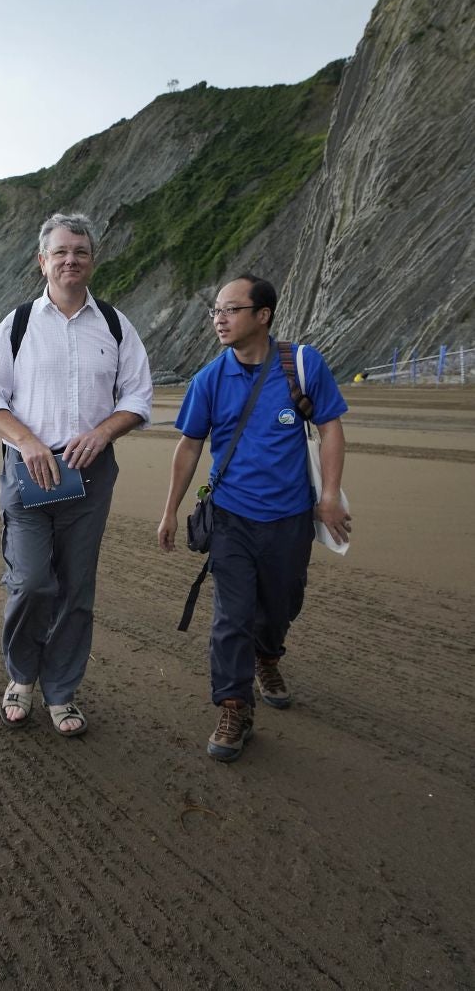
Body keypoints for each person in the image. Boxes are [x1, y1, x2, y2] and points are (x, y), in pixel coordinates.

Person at [157, 274, 350, 762]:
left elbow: (330, 428)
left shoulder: (302, 365)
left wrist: (329, 496)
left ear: (263, 316)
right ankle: (234, 706)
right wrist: (170, 510)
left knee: (282, 604)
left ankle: (268, 656)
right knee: (231, 615)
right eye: (215, 311)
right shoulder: (208, 380)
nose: (219, 319)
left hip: (290, 516)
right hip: (231, 517)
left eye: (231, 309)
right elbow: (189, 446)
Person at [0, 213, 152, 736]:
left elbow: (138, 396)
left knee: (76, 589)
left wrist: (103, 432)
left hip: (90, 475)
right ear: (42, 261)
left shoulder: (115, 325)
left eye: (80, 251)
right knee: (31, 582)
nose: (71, 259)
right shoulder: (17, 324)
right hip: (28, 472)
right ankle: (21, 675)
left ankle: (61, 691)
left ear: (92, 260)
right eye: (61, 252)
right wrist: (27, 441)